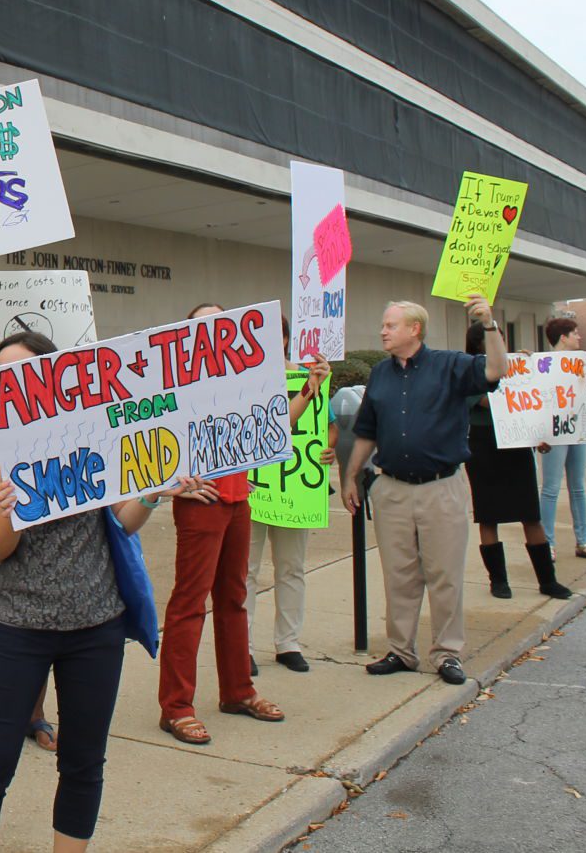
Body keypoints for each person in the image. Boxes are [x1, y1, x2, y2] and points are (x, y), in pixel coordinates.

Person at [0, 330, 208, 853]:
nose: (14, 386)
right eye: (3, 378)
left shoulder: (96, 438)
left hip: (96, 626)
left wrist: (153, 492)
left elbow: (123, 522)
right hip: (18, 626)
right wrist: (15, 507)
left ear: (54, 379)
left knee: (84, 762)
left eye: (26, 373)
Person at [342, 295, 505, 686]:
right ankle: (401, 650)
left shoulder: (450, 365)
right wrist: (349, 476)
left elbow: (498, 370)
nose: (383, 330)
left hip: (441, 488)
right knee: (399, 575)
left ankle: (447, 653)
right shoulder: (380, 375)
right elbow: (366, 431)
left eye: (391, 325)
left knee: (444, 574)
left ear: (414, 329)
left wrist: (489, 324)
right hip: (392, 489)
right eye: (383, 324)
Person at [157, 304, 289, 745]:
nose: (215, 327)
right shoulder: (178, 380)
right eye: (204, 322)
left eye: (220, 320)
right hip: (202, 502)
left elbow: (273, 429)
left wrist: (308, 390)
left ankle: (237, 691)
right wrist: (174, 485)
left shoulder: (245, 378)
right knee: (190, 602)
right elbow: (148, 432)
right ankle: (176, 706)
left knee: (234, 599)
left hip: (238, 500)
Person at [244, 319, 333, 675]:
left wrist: (328, 449)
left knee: (292, 567)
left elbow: (324, 429)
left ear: (284, 339)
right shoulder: (245, 380)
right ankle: (243, 645)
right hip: (256, 488)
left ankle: (288, 643)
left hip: (296, 487)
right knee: (245, 571)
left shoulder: (308, 378)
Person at [460, 321, 571, 601]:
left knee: (530, 514)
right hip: (484, 444)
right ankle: (498, 581)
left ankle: (548, 580)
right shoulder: (470, 369)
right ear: (479, 343)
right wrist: (518, 377)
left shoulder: (515, 366)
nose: (501, 342)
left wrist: (527, 371)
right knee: (488, 516)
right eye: (494, 337)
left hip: (516, 443)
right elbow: (492, 401)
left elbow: (528, 404)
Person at [539, 316, 586, 560]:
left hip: (578, 429)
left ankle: (583, 541)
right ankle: (546, 542)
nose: (580, 337)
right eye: (575, 333)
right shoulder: (543, 364)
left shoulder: (584, 363)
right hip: (554, 432)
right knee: (551, 488)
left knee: (578, 488)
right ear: (563, 337)